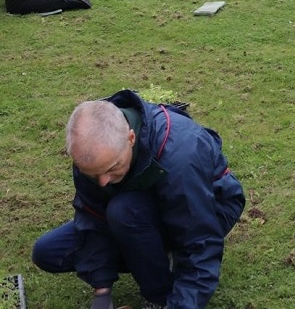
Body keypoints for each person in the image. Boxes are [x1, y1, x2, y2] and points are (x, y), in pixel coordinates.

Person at [32, 90, 246, 309]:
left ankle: (158, 296)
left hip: (209, 205)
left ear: (131, 138)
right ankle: (151, 251)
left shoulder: (181, 154)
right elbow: (92, 218)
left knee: (124, 211)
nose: (103, 181)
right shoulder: (92, 157)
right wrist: (102, 291)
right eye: (94, 174)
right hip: (139, 209)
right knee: (49, 252)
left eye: (112, 168)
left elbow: (201, 241)